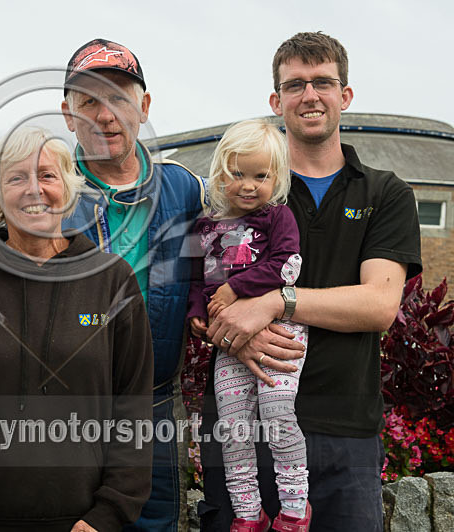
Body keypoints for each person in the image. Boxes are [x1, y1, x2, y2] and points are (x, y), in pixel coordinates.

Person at [60, 39, 305, 532]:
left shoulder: (184, 188)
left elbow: (221, 273)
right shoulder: (50, 190)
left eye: (121, 98)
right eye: (89, 100)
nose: (106, 114)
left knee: (155, 521)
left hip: (154, 397)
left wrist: (243, 325)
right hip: (69, 402)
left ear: (144, 107)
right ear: (67, 114)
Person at [199, 32, 422, 531]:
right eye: (295, 84)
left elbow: (379, 304)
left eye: (323, 81)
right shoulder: (241, 192)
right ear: (276, 101)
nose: (310, 94)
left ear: (345, 95)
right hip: (245, 426)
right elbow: (202, 299)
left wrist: (276, 302)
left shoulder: (385, 193)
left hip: (346, 433)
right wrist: (233, 330)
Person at [0, 126, 153, 531]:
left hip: (81, 521)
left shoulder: (111, 279)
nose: (34, 189)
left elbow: (133, 405)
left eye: (47, 175)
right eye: (16, 177)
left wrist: (109, 513)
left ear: (68, 186)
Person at [187, 120, 309, 531]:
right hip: (228, 344)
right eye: (238, 173)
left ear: (276, 177)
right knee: (234, 428)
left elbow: (286, 265)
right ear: (221, 171)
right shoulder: (203, 228)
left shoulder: (278, 218)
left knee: (277, 414)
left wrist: (235, 288)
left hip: (278, 334)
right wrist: (196, 313)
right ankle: (247, 513)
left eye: (261, 175)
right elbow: (193, 278)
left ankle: (294, 508)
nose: (249, 184)